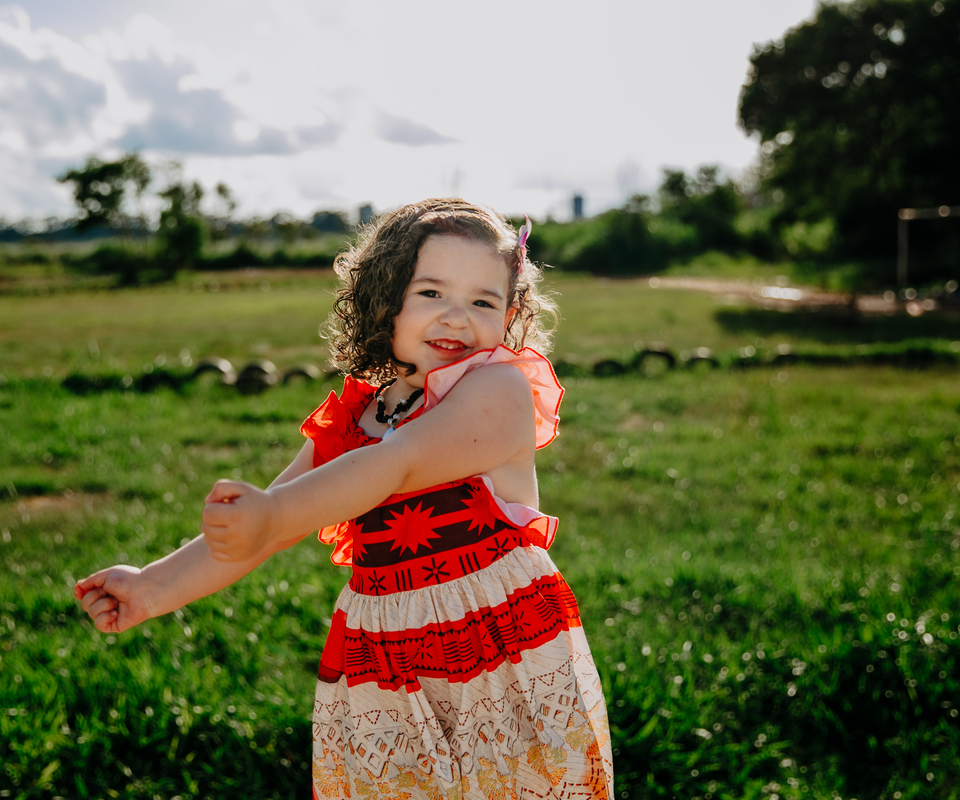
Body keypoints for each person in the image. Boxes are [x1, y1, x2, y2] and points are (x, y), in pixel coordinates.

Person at [75, 198, 615, 799]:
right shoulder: (360, 415)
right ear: (385, 301)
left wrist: (274, 514)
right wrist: (152, 587)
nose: (457, 318)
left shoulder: (498, 389)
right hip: (385, 659)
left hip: (500, 653)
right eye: (430, 293)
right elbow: (269, 528)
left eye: (483, 303)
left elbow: (393, 463)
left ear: (509, 315)